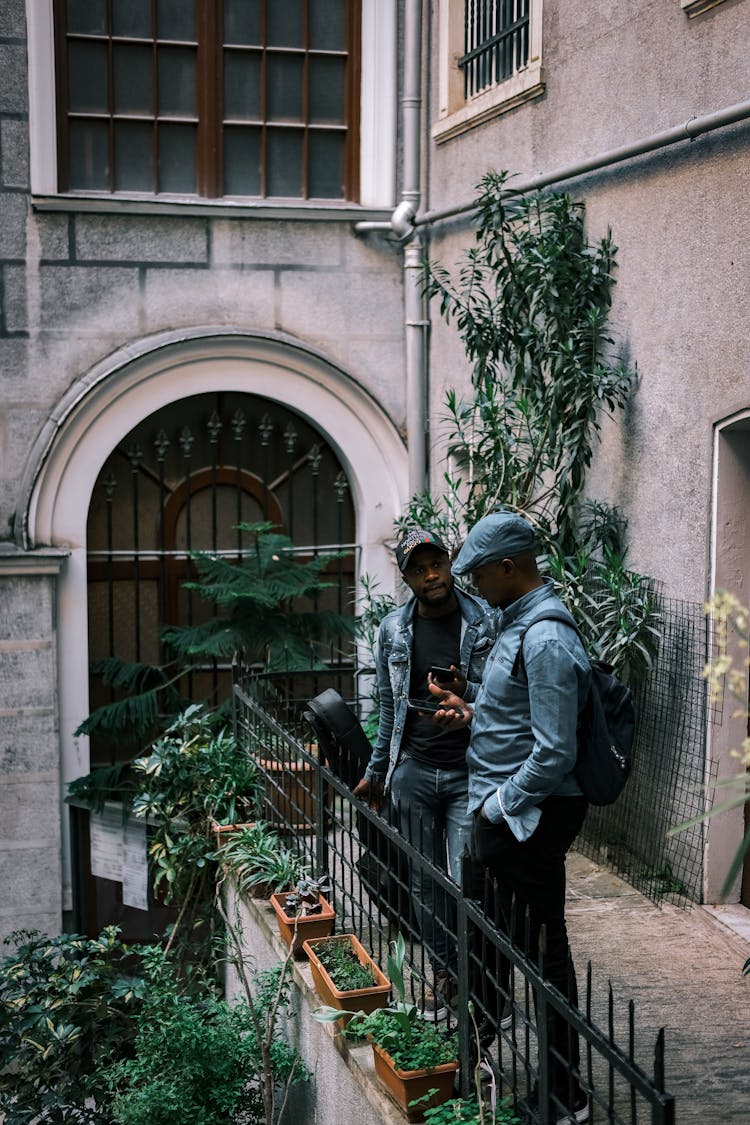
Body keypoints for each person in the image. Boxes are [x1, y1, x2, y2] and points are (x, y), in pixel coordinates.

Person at [431, 511, 591, 1125]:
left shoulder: (547, 638)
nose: (469, 582)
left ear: (507, 568)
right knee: (490, 941)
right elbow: (520, 722)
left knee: (544, 955)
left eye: (476, 572)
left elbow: (555, 751)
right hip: (501, 811)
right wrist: (471, 711)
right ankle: (473, 1051)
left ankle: (564, 1097)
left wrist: (499, 805)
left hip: (526, 817)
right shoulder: (518, 625)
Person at [354, 527, 496, 1017]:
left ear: (449, 562)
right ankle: (446, 975)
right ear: (407, 576)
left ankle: (480, 984)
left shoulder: (484, 619)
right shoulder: (395, 629)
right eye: (419, 568)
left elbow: (502, 696)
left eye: (436, 563)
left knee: (467, 878)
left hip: (470, 771)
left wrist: (467, 689)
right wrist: (377, 772)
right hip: (413, 772)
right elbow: (390, 710)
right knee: (424, 881)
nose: (431, 574)